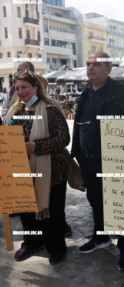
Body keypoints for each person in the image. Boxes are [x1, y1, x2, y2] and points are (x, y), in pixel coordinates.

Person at [71, 52, 124, 271]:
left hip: (114, 159)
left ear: (109, 68)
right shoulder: (86, 91)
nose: (90, 67)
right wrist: (77, 152)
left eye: (96, 64)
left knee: (120, 203)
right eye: (88, 63)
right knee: (95, 199)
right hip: (88, 158)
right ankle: (101, 237)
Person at [3, 69, 70, 265]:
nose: (21, 91)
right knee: (26, 210)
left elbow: (63, 138)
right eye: (18, 87)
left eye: (25, 87)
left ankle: (56, 247)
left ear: (35, 87)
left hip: (50, 172)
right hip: (21, 170)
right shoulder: (15, 110)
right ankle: (32, 242)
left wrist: (35, 147)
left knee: (52, 213)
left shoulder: (50, 109)